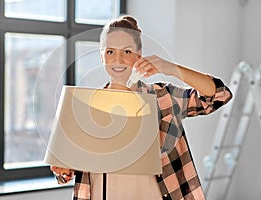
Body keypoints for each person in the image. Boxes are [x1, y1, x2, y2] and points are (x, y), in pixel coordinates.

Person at [50, 15, 232, 200]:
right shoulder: (87, 105)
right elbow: (69, 168)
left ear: (139, 54)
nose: (118, 60)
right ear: (101, 56)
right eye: (110, 52)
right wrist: (63, 170)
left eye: (127, 52)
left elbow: (219, 95)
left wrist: (170, 68)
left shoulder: (163, 97)